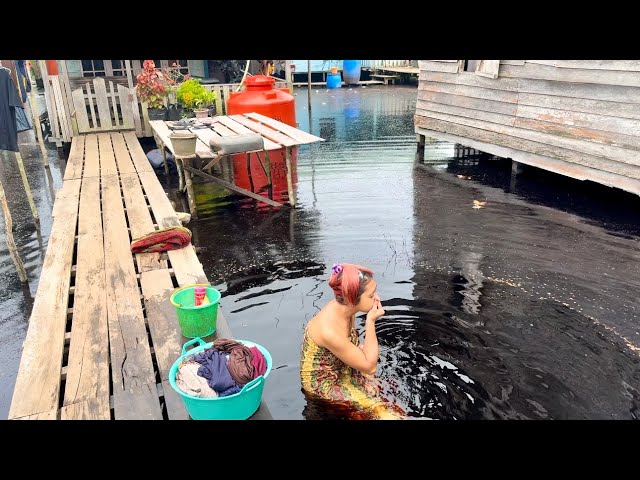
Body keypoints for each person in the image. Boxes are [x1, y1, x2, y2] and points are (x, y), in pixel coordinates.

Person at [300, 263, 404, 419]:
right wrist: (370, 322)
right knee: (392, 416)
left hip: (342, 367)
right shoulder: (328, 330)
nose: (377, 298)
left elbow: (354, 346)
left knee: (392, 392)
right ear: (352, 299)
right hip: (325, 385)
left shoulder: (347, 309)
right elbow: (370, 368)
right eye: (371, 296)